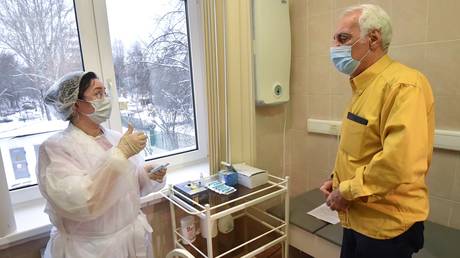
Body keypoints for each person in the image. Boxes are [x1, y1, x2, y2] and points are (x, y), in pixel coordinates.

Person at [320, 4, 435, 258]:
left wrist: (346, 191)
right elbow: (362, 150)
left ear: (373, 38)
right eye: (335, 39)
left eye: (343, 38)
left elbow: (398, 163)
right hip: (356, 218)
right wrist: (337, 181)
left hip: (385, 230)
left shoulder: (403, 85)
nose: (335, 47)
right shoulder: (363, 86)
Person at [37, 71, 167, 258]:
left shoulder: (114, 138)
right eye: (98, 94)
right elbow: (82, 201)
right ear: (75, 105)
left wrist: (146, 175)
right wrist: (120, 154)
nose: (105, 99)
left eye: (105, 93)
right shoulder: (55, 149)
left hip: (131, 238)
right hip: (92, 249)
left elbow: (124, 185)